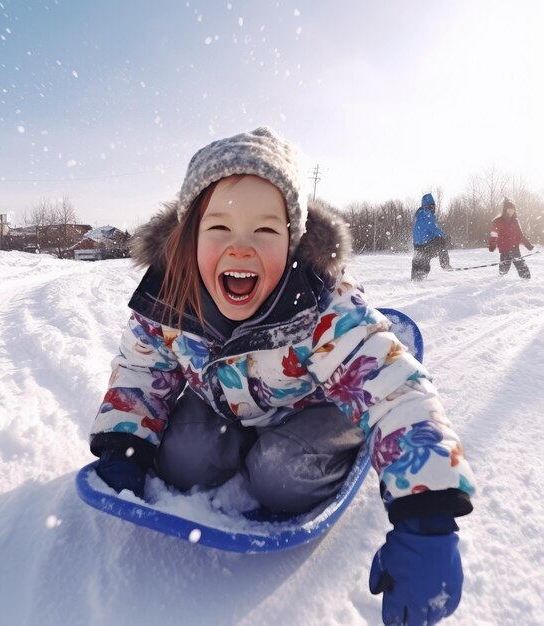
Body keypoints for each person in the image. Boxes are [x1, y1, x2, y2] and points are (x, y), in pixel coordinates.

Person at [89, 128, 475, 625]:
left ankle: (285, 458)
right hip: (224, 406)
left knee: (280, 475)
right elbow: (142, 370)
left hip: (311, 410)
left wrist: (428, 516)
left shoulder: (322, 306)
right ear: (188, 235)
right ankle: (231, 450)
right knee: (182, 460)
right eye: (219, 228)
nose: (242, 248)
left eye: (266, 231)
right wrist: (125, 443)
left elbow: (395, 390)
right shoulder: (170, 297)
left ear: (293, 241)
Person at [488, 198, 533, 279]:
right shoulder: (499, 220)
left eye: (512, 209)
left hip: (515, 248)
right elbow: (494, 234)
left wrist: (528, 244)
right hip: (504, 249)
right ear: (505, 210)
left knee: (521, 266)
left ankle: (526, 281)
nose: (511, 211)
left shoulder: (515, 221)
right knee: (504, 269)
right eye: (509, 209)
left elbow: (520, 235)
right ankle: (500, 281)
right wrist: (492, 244)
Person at [411, 193, 452, 280]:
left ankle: (416, 277)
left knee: (420, 261)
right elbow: (433, 229)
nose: (433, 208)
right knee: (442, 241)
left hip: (418, 246)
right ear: (426, 206)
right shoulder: (427, 215)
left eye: (434, 206)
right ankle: (445, 264)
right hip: (426, 245)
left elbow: (427, 230)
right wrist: (445, 236)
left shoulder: (419, 215)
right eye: (431, 206)